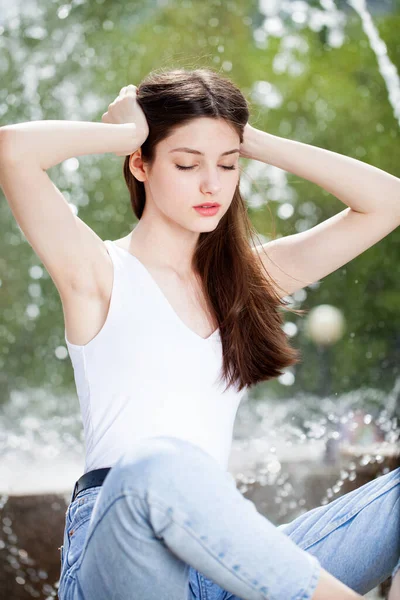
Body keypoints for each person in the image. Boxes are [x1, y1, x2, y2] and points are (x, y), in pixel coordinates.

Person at [0, 67, 399, 600]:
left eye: (228, 165)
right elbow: (12, 151)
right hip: (124, 548)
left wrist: (249, 138)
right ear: (141, 164)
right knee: (158, 465)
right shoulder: (97, 272)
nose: (213, 184)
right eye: (188, 163)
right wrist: (125, 134)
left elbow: (388, 202)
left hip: (219, 564)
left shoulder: (245, 283)